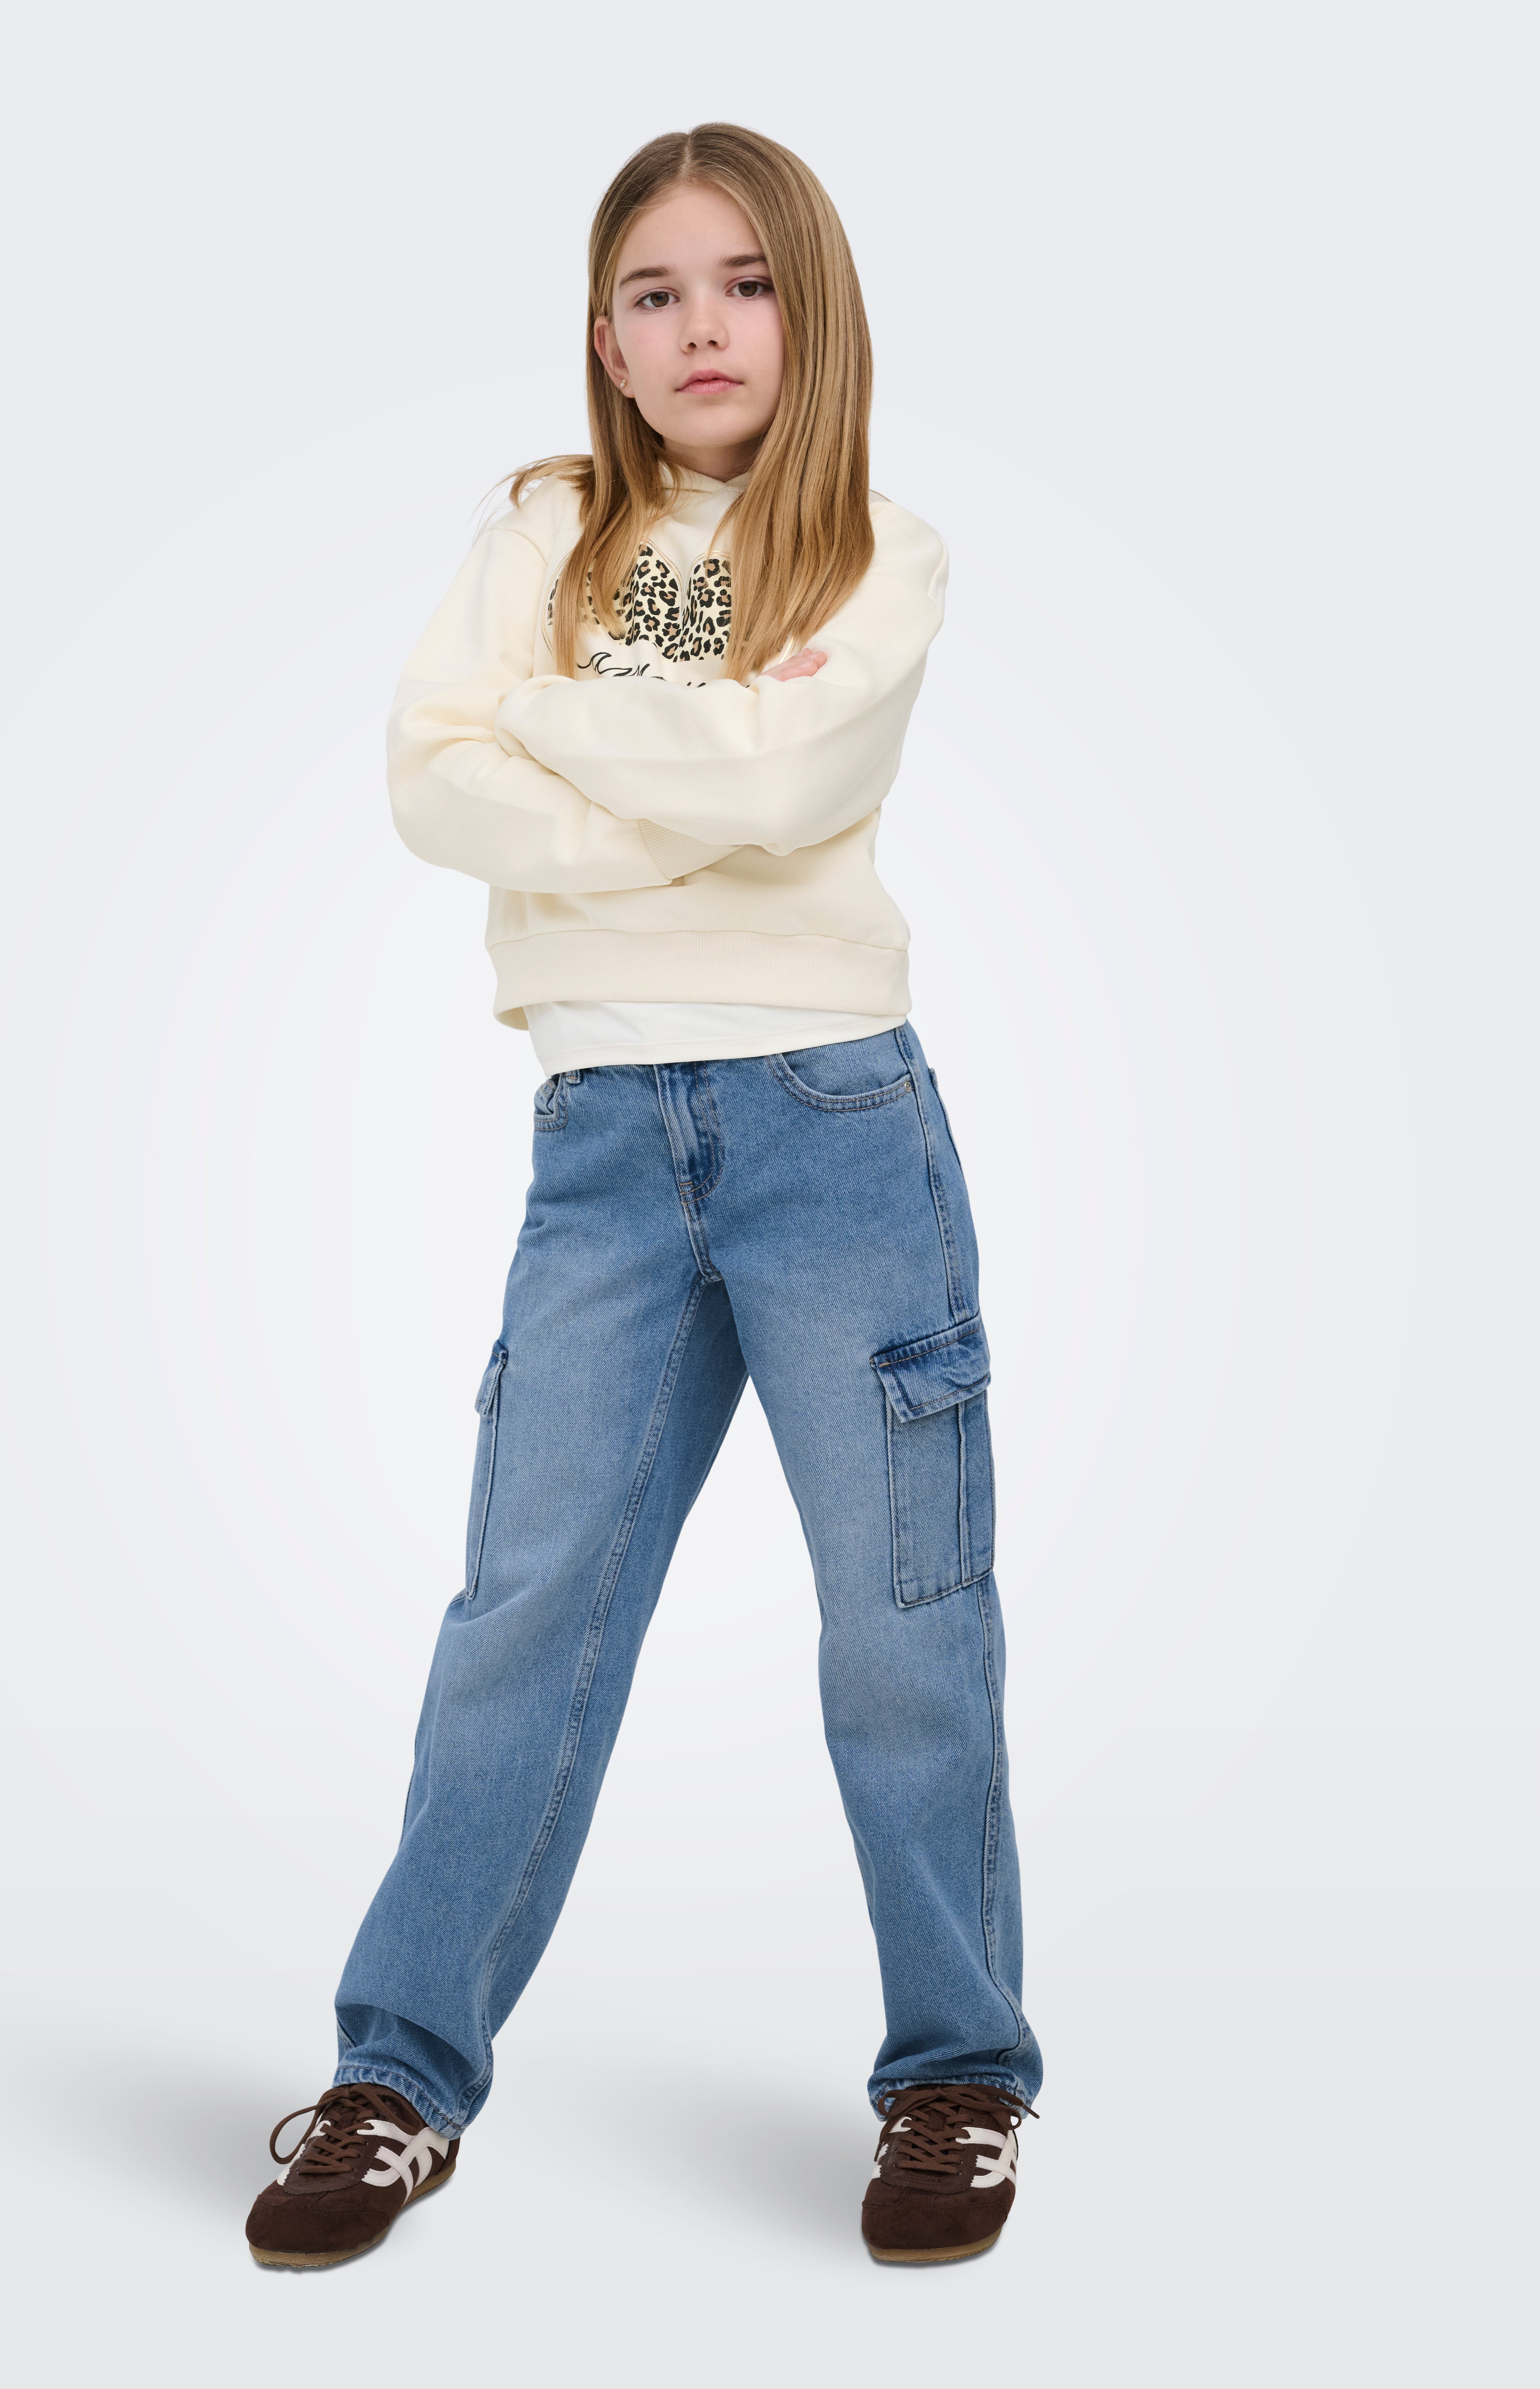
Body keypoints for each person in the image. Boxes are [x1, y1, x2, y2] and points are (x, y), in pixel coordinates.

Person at [245, 121, 1041, 2273]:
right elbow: (434, 776)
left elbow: (801, 777)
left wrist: (565, 735)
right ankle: (398, 2073)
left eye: (746, 283)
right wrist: (696, 787)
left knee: (900, 1621)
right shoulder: (544, 531)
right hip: (602, 1140)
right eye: (655, 292)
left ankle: (959, 2071)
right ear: (603, 337)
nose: (703, 328)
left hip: (832, 1129)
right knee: (525, 1611)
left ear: (814, 311)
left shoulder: (876, 548)